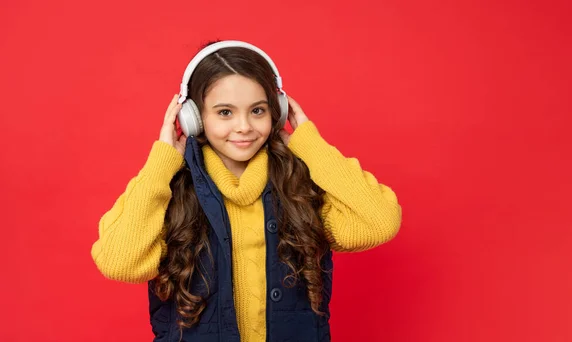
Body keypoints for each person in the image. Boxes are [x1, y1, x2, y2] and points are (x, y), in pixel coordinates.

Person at [91, 40, 402, 342]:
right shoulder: (170, 189)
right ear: (193, 118)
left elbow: (378, 222)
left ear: (277, 112)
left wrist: (310, 144)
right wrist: (163, 159)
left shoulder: (298, 184)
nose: (244, 126)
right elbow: (120, 262)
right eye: (225, 112)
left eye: (257, 111)